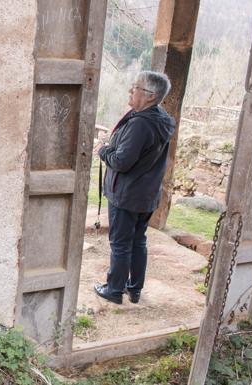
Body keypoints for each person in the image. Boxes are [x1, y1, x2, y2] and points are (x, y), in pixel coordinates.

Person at [92, 70, 175, 304]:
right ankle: (134, 288)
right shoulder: (159, 118)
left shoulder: (141, 124)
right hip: (146, 194)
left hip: (127, 195)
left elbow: (121, 161)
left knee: (120, 243)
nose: (131, 90)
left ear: (150, 96)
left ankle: (114, 289)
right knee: (138, 241)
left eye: (135, 87)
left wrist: (103, 149)